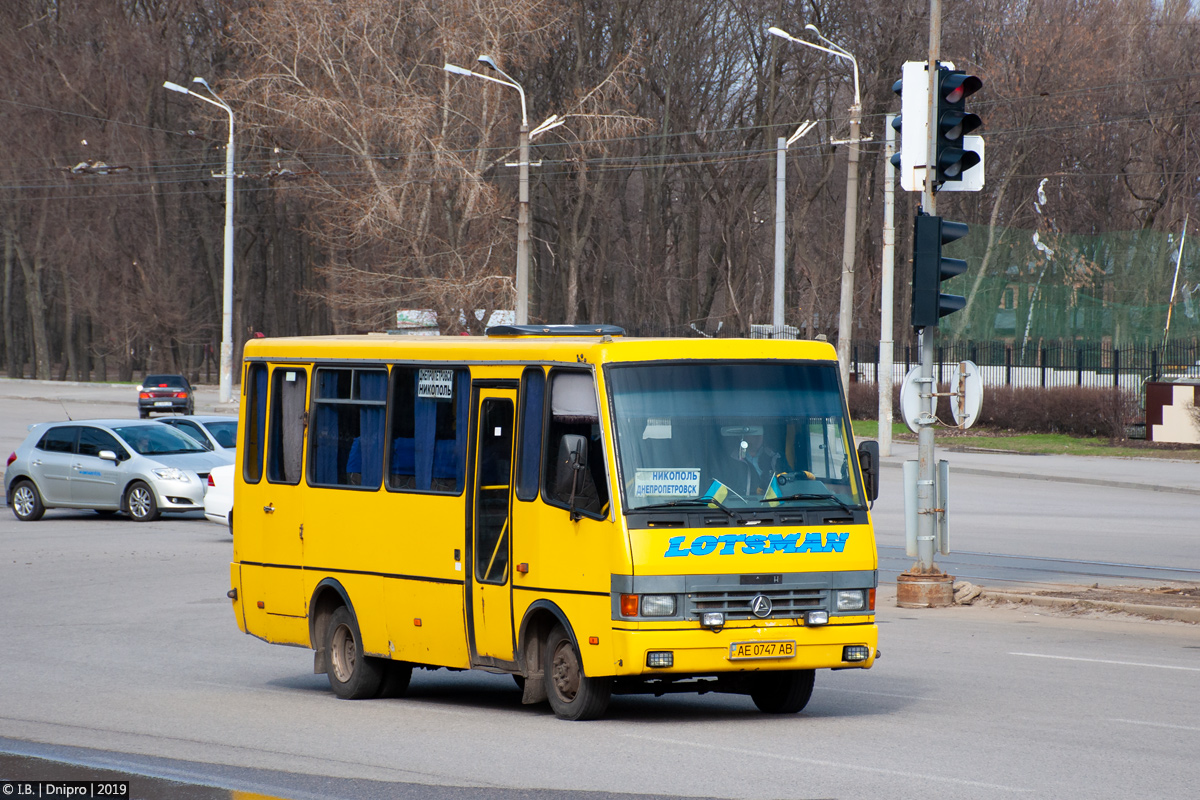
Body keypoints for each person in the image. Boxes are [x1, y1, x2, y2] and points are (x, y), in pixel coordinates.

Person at [716, 425, 781, 498]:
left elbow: (789, 482)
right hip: (739, 507)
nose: (758, 437)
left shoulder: (775, 457)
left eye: (760, 433)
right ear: (743, 436)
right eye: (753, 433)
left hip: (773, 506)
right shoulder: (728, 460)